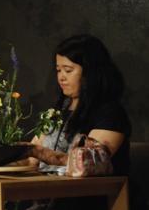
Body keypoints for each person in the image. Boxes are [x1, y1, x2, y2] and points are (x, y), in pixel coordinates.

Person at [18, 34, 138, 210]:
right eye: (58, 70)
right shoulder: (58, 111)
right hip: (49, 199)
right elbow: (31, 161)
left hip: (91, 201)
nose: (61, 77)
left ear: (89, 71)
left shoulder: (110, 112)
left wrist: (38, 152)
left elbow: (89, 163)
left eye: (68, 70)